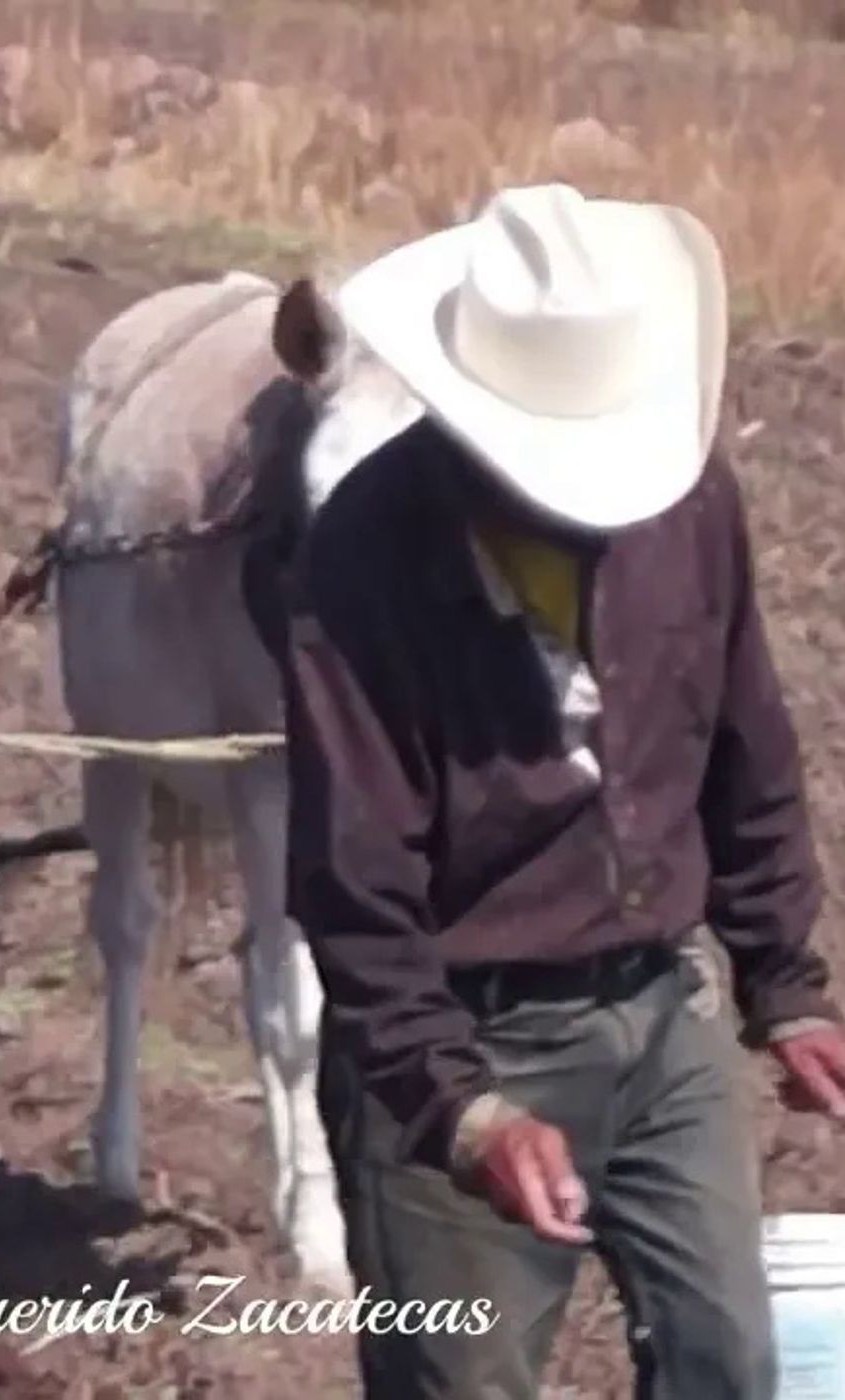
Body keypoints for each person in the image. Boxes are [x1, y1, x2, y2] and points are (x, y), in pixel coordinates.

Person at [279, 182, 845, 1398]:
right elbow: (351, 884)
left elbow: (747, 741)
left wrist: (783, 983)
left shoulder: (688, 501)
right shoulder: (361, 561)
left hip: (658, 1011)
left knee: (730, 1366)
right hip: (460, 1036)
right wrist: (464, 1112)